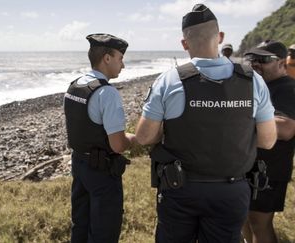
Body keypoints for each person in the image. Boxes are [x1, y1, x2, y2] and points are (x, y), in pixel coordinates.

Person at [134, 4, 277, 243]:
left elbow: (144, 137)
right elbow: (267, 140)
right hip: (232, 191)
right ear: (220, 37)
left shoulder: (169, 80)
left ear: (184, 43)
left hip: (180, 189)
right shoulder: (253, 80)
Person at [63, 33, 136, 243]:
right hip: (102, 173)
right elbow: (118, 145)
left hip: (78, 166)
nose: (123, 65)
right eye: (120, 59)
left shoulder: (74, 86)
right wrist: (134, 138)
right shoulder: (107, 93)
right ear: (107, 58)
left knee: (80, 226)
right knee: (104, 233)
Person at [242, 40, 295, 243]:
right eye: (252, 59)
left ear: (282, 63)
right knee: (245, 219)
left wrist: (237, 119)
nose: (255, 64)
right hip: (252, 166)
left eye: (263, 59)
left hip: (269, 170)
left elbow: (285, 128)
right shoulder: (262, 86)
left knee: (260, 224)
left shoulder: (286, 88)